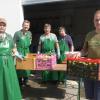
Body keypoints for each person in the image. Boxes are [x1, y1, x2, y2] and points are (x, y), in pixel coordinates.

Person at [77, 10, 100, 100]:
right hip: (89, 69)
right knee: (89, 96)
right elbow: (84, 50)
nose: (98, 22)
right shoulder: (89, 35)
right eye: (96, 20)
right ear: (93, 21)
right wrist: (79, 53)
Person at [0, 17, 22, 100]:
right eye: (0, 25)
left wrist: (17, 55)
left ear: (6, 27)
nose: (1, 27)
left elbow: (13, 48)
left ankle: (10, 97)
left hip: (8, 61)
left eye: (3, 25)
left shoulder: (9, 36)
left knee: (9, 80)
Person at [13, 20, 32, 86]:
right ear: (22, 25)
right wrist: (15, 52)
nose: (26, 26)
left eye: (27, 25)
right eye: (25, 25)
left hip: (27, 51)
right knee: (20, 67)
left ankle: (26, 81)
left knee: (27, 66)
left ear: (29, 26)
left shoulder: (29, 33)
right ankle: (19, 82)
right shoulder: (17, 33)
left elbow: (30, 41)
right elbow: (13, 43)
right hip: (20, 52)